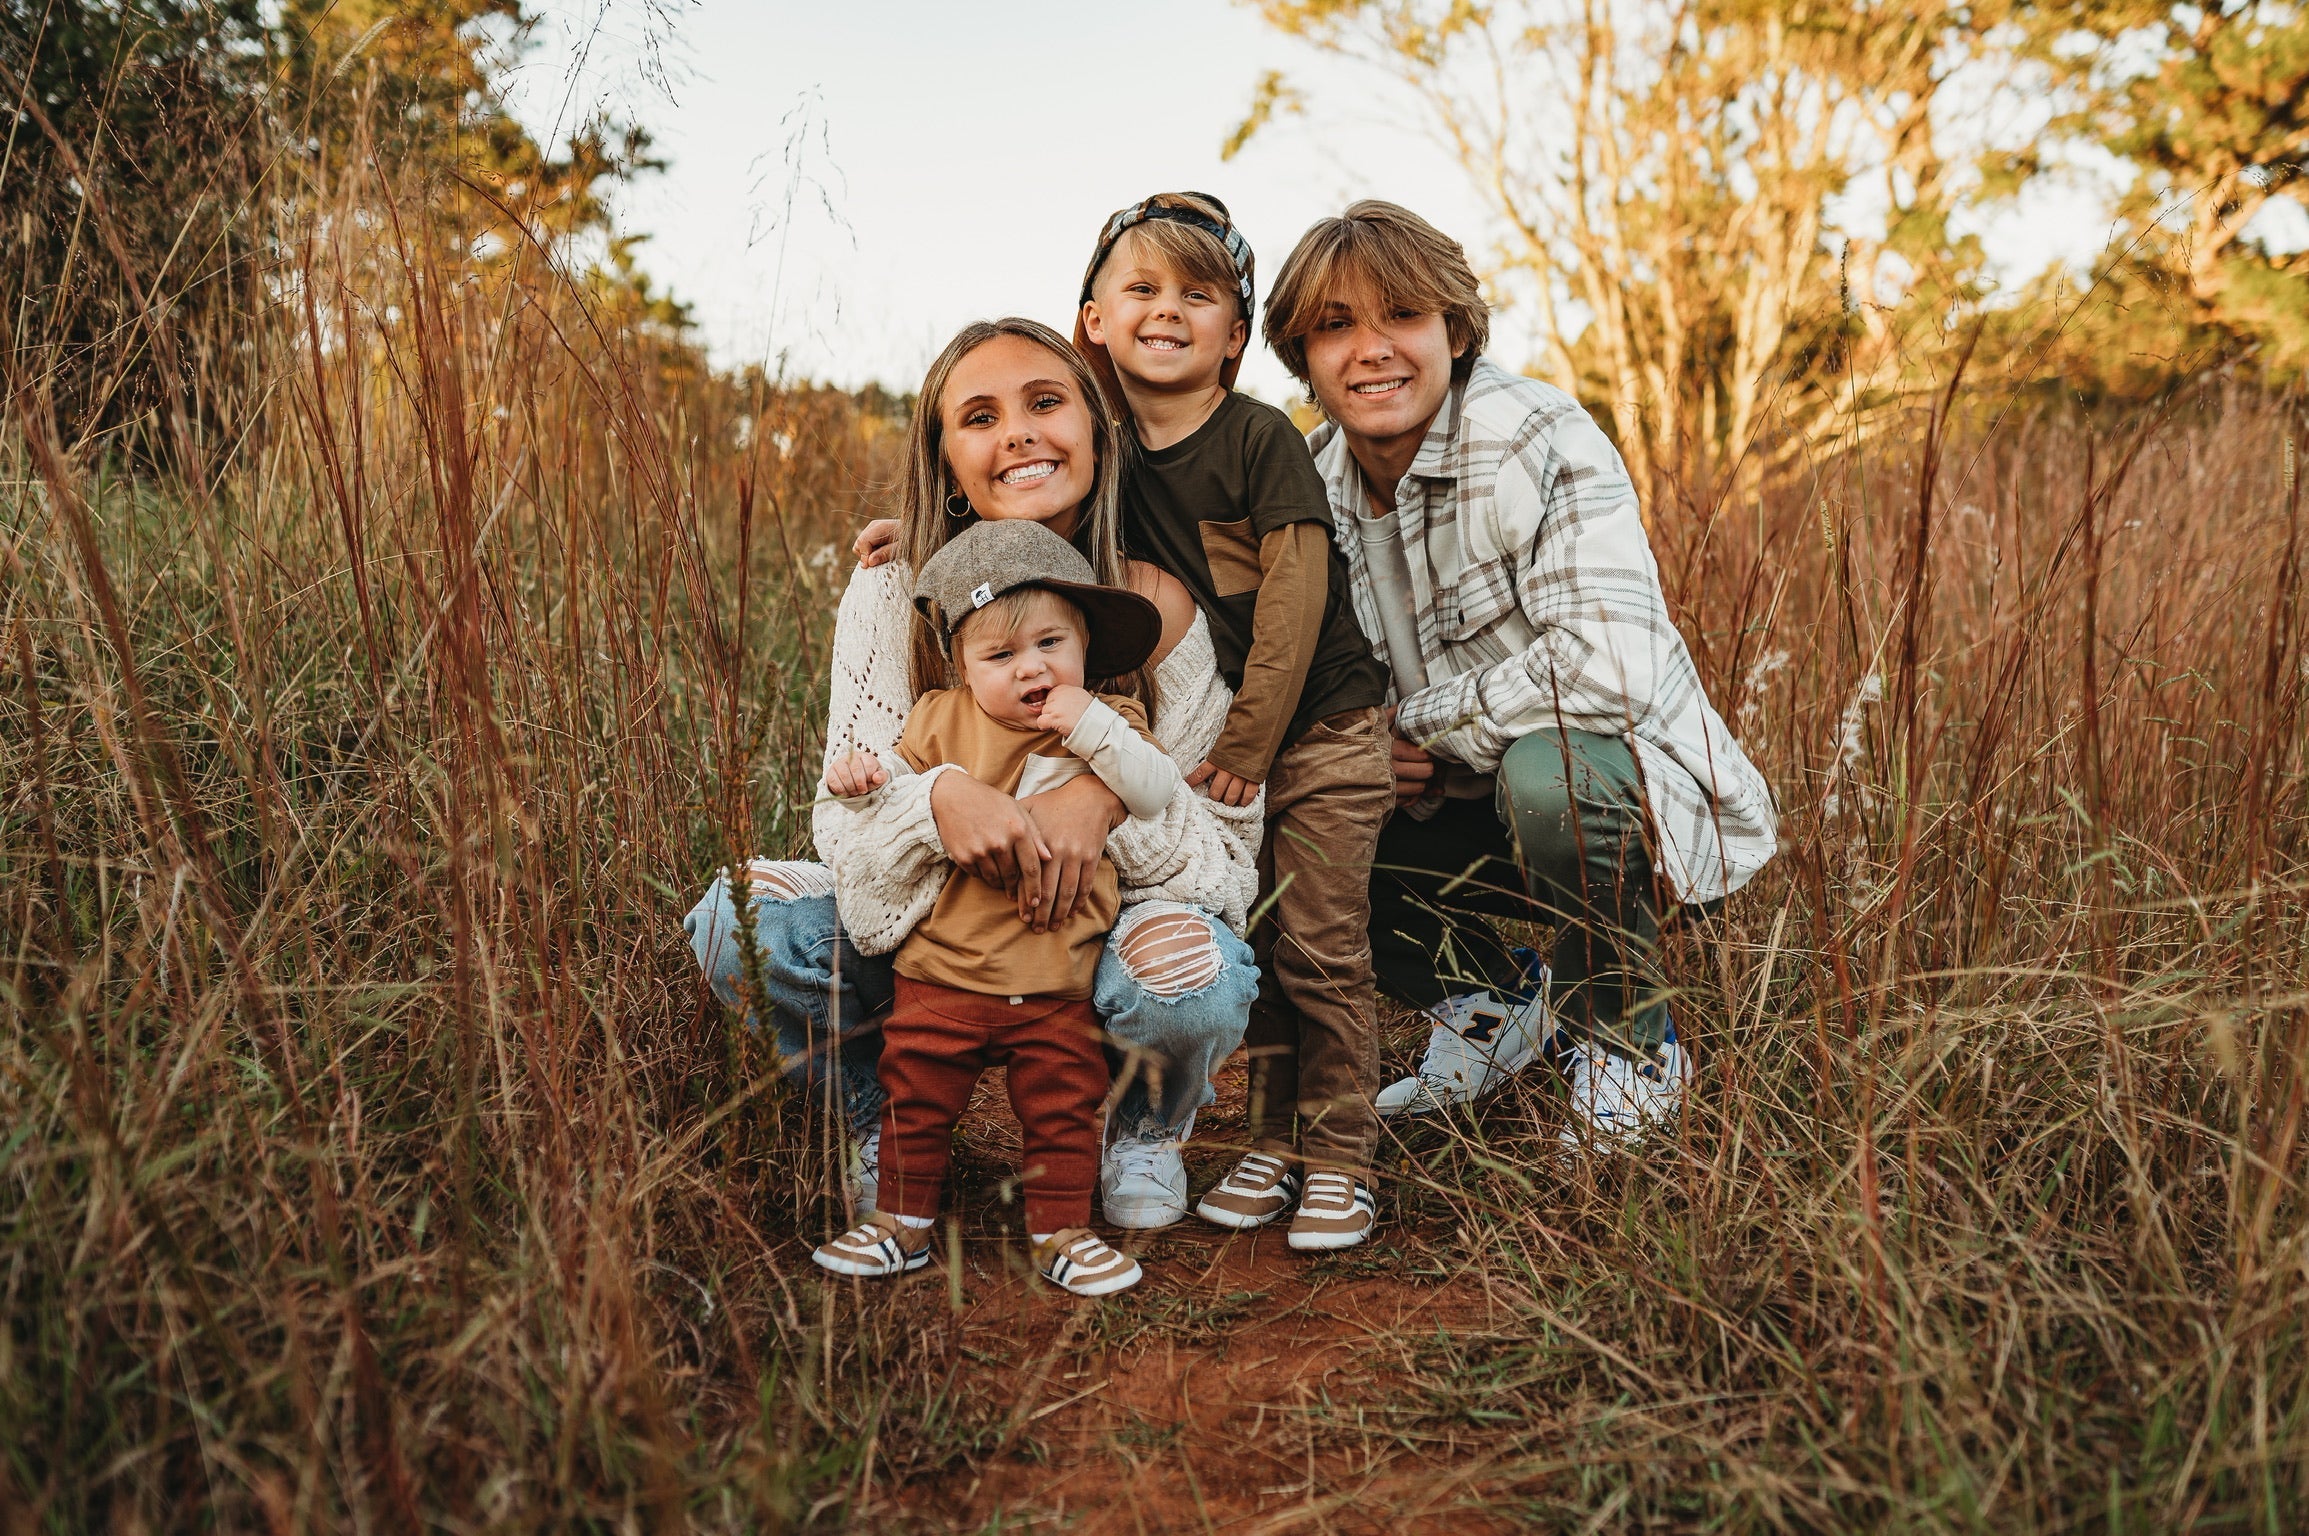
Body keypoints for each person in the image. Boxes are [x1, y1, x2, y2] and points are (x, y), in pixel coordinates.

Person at [683, 317, 1262, 1232]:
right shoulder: (889, 592)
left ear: (1097, 431)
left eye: (1045, 403)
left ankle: (1138, 1125)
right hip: (932, 944)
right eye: (979, 417)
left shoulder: (1157, 603)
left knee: (1190, 973)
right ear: (945, 457)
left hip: (1091, 935)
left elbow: (1225, 860)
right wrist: (937, 800)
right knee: (735, 921)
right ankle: (890, 1116)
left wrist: (1101, 794)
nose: (1020, 434)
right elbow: (841, 822)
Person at [1262, 201, 1779, 1143]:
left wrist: (1417, 722)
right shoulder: (1309, 479)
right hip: (1443, 806)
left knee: (1554, 776)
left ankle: (1629, 1039)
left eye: (1401, 316)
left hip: (1616, 796)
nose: (1371, 350)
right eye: (1335, 325)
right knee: (1288, 815)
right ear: (1302, 356)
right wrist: (1366, 741)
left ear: (1454, 330)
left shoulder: (1533, 434)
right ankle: (1497, 1008)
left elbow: (1609, 668)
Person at [1073, 193, 1393, 1251]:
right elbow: (1017, 513)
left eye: (1198, 296)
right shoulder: (1103, 451)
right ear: (1093, 319)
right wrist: (918, 524)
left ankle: (1341, 1154)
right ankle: (1270, 1140)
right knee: (1245, 932)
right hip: (1223, 747)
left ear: (1236, 338)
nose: (1168, 311)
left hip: (1321, 730)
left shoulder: (1258, 438)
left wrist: (1248, 747)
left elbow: (1295, 594)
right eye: (1142, 288)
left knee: (1317, 944)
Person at [812, 519, 1180, 1295]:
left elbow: (1151, 791)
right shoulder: (938, 719)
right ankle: (899, 1225)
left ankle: (1062, 1231)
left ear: (1086, 647)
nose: (1031, 669)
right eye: (1001, 655)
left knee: (1060, 1109)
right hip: (941, 972)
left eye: (1052, 644)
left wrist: (1089, 728)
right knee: (915, 1099)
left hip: (1055, 980)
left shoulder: (1111, 723)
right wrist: (862, 779)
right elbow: (892, 798)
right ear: (961, 666)